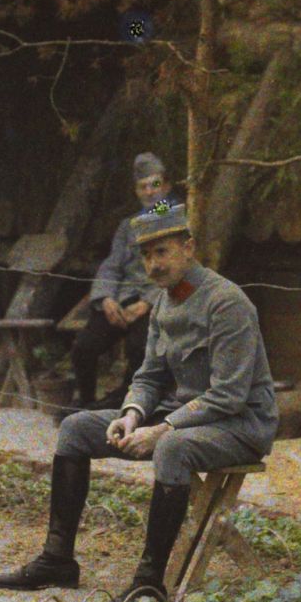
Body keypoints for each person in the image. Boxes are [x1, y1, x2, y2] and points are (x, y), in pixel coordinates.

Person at [0, 200, 277, 602]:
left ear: (188, 247)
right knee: (75, 428)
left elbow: (229, 395)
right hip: (187, 417)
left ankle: (149, 581)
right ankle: (58, 558)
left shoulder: (226, 303)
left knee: (172, 447)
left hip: (240, 424)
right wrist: (132, 415)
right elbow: (149, 376)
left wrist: (162, 429)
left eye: (161, 252)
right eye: (145, 255)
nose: (152, 265)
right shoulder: (164, 302)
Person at [70, 152, 179, 411]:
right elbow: (111, 265)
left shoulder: (175, 220)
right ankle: (86, 404)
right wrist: (106, 298)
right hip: (122, 301)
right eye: (143, 187)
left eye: (155, 185)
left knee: (139, 348)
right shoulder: (128, 226)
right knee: (84, 347)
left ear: (166, 186)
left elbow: (176, 272)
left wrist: (146, 304)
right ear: (136, 191)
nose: (150, 192)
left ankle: (125, 403)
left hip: (156, 303)